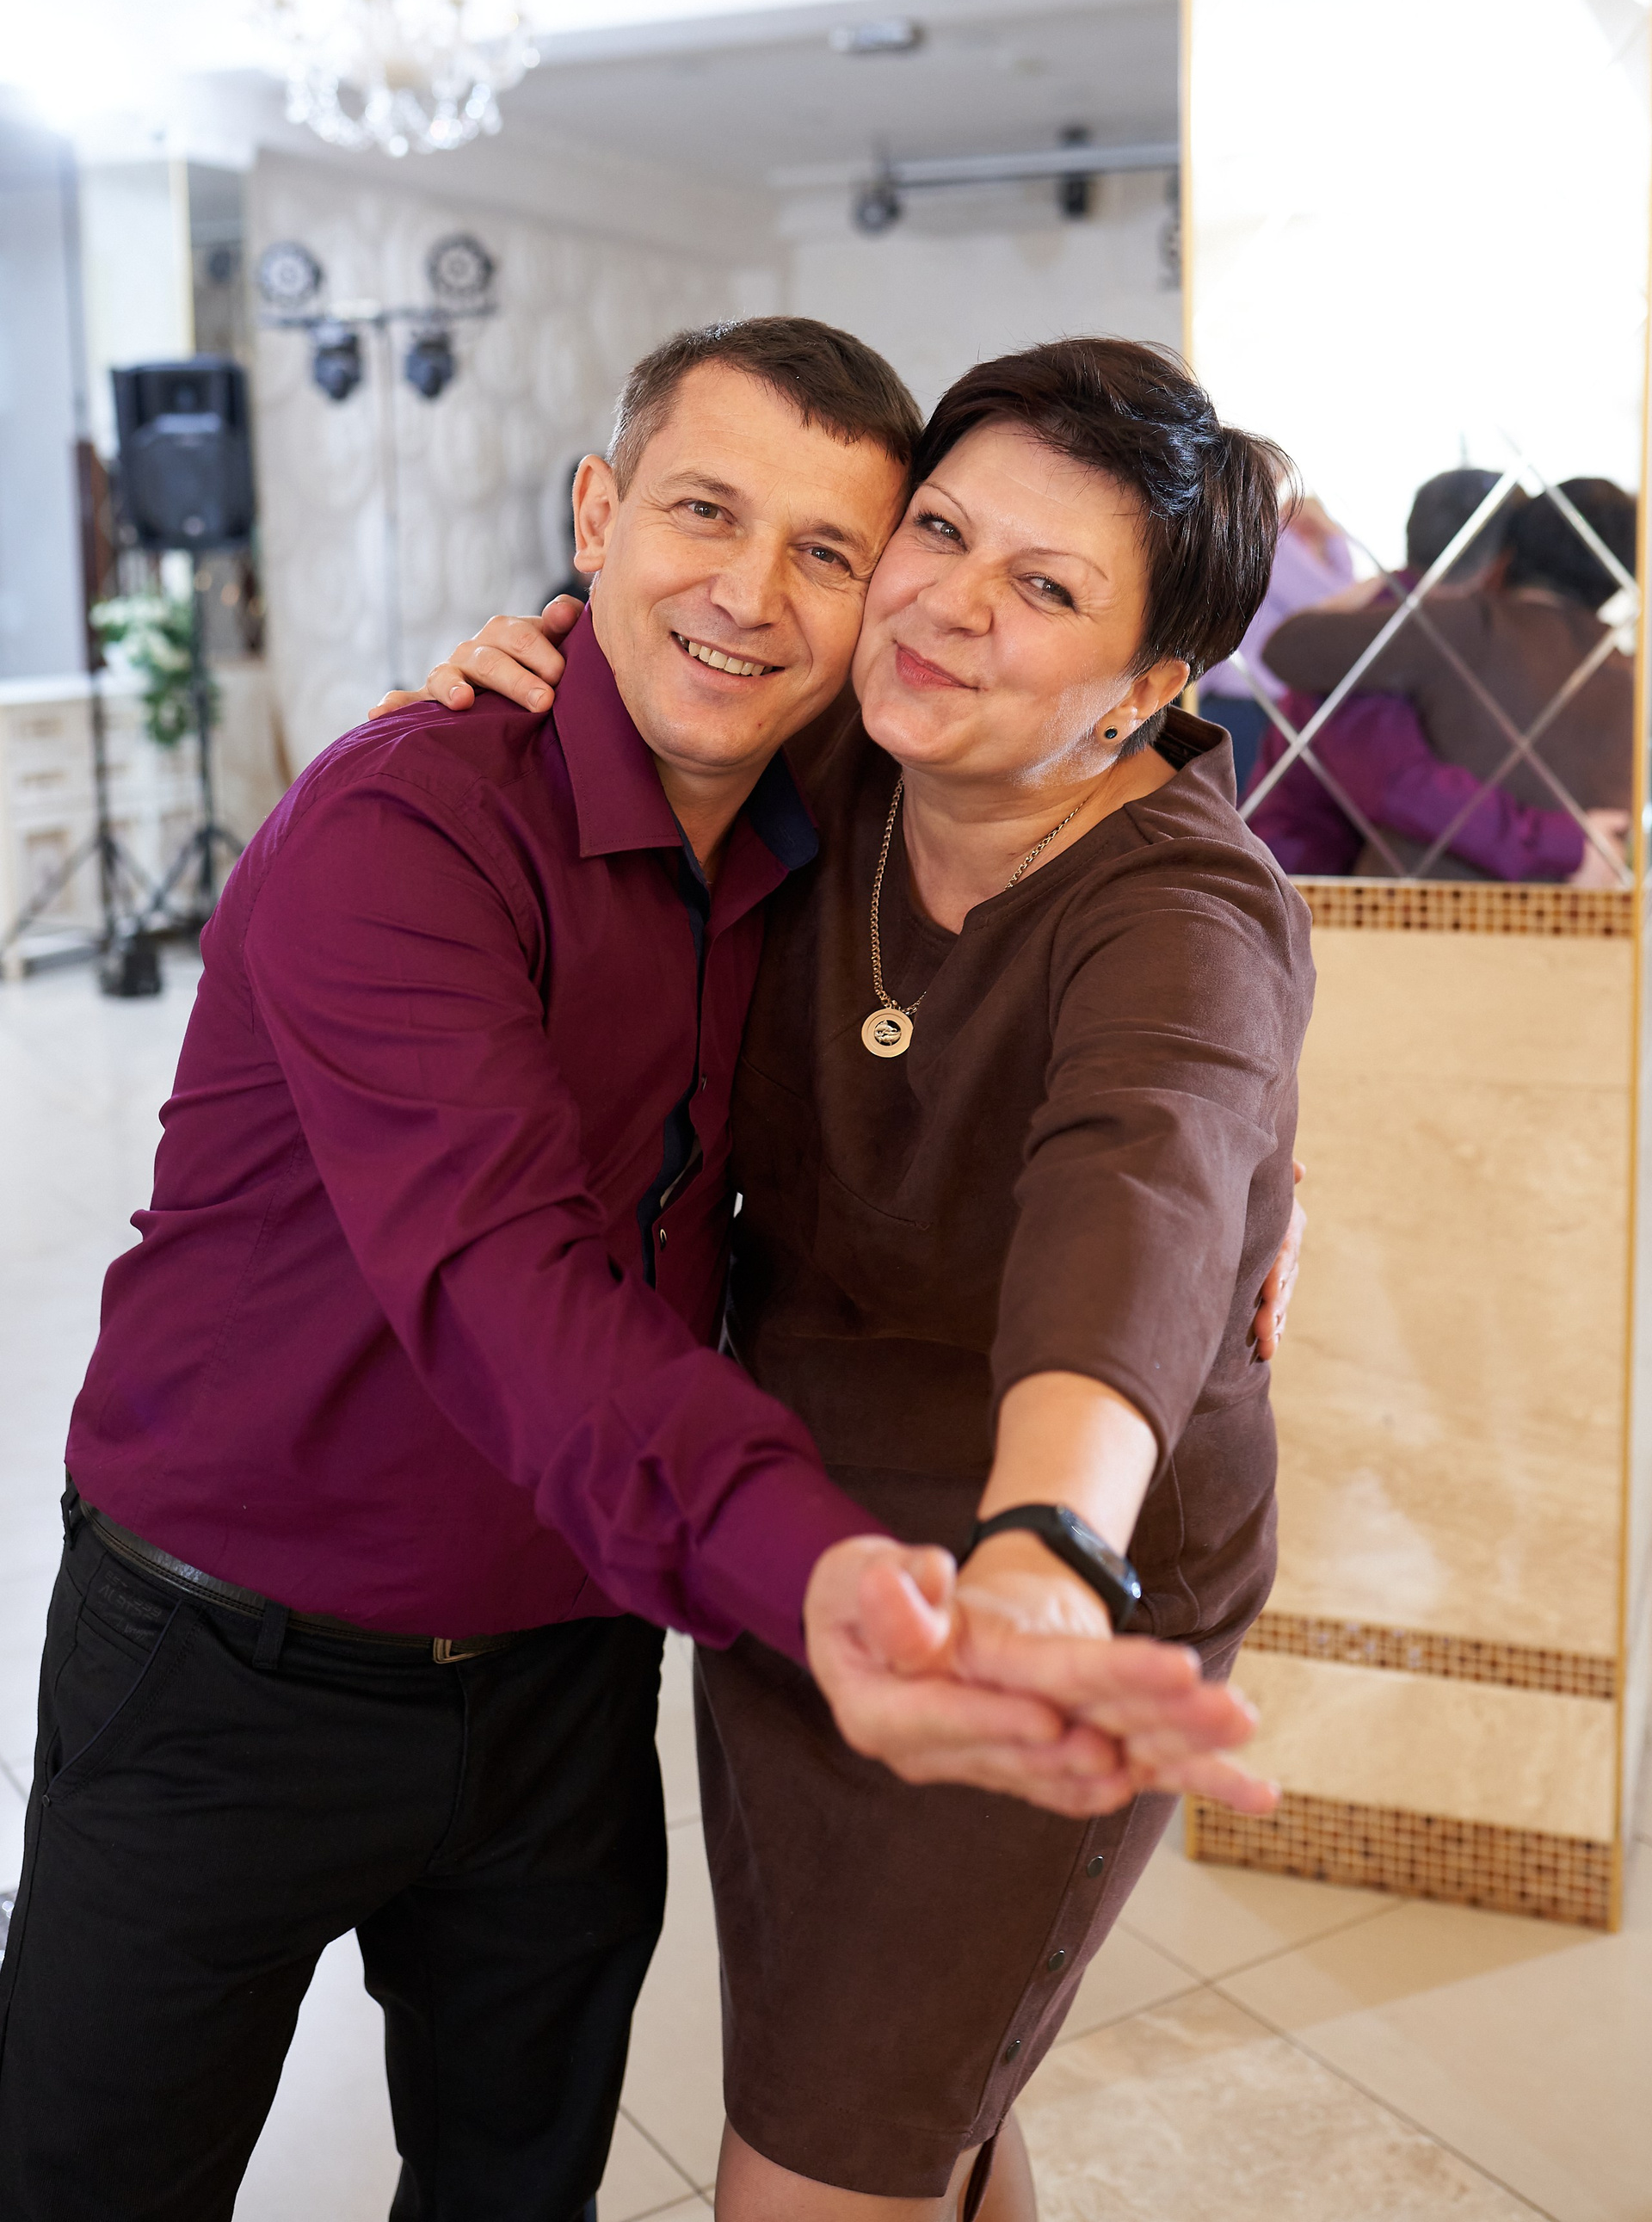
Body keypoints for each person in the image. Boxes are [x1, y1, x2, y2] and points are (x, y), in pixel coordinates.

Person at [0, 319, 1274, 2222]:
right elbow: (508, 1279)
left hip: (625, 1647)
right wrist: (815, 1569)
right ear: (593, 515)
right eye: (703, 513)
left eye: (831, 548)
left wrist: (1076, 1494)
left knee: (590, 2164)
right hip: (237, 1658)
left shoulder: (869, 791)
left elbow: (1145, 1122)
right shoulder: (437, 817)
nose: (760, 596)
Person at [380, 335, 1314, 2219]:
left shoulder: (1182, 915)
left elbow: (1139, 1192)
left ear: (1149, 686)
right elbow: (654, 662)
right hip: (805, 1540)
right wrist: (511, 672)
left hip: (1032, 1584)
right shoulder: (831, 760)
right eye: (939, 531)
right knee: (904, 2091)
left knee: (829, 2142)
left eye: (1043, 587)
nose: (947, 607)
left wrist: (1050, 1552)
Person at [1261, 477, 1637, 881]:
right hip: (1307, 888)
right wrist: (1568, 846)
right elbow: (1404, 786)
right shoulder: (1622, 668)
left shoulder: (1464, 627)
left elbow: (1286, 648)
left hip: (1366, 893)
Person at [1198, 489, 1355, 787]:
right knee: (1239, 806)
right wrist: (1333, 537)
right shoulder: (1271, 537)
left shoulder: (1278, 538)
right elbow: (1342, 606)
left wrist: (1329, 542)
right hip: (1246, 704)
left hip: (1252, 703)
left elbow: (1342, 607)